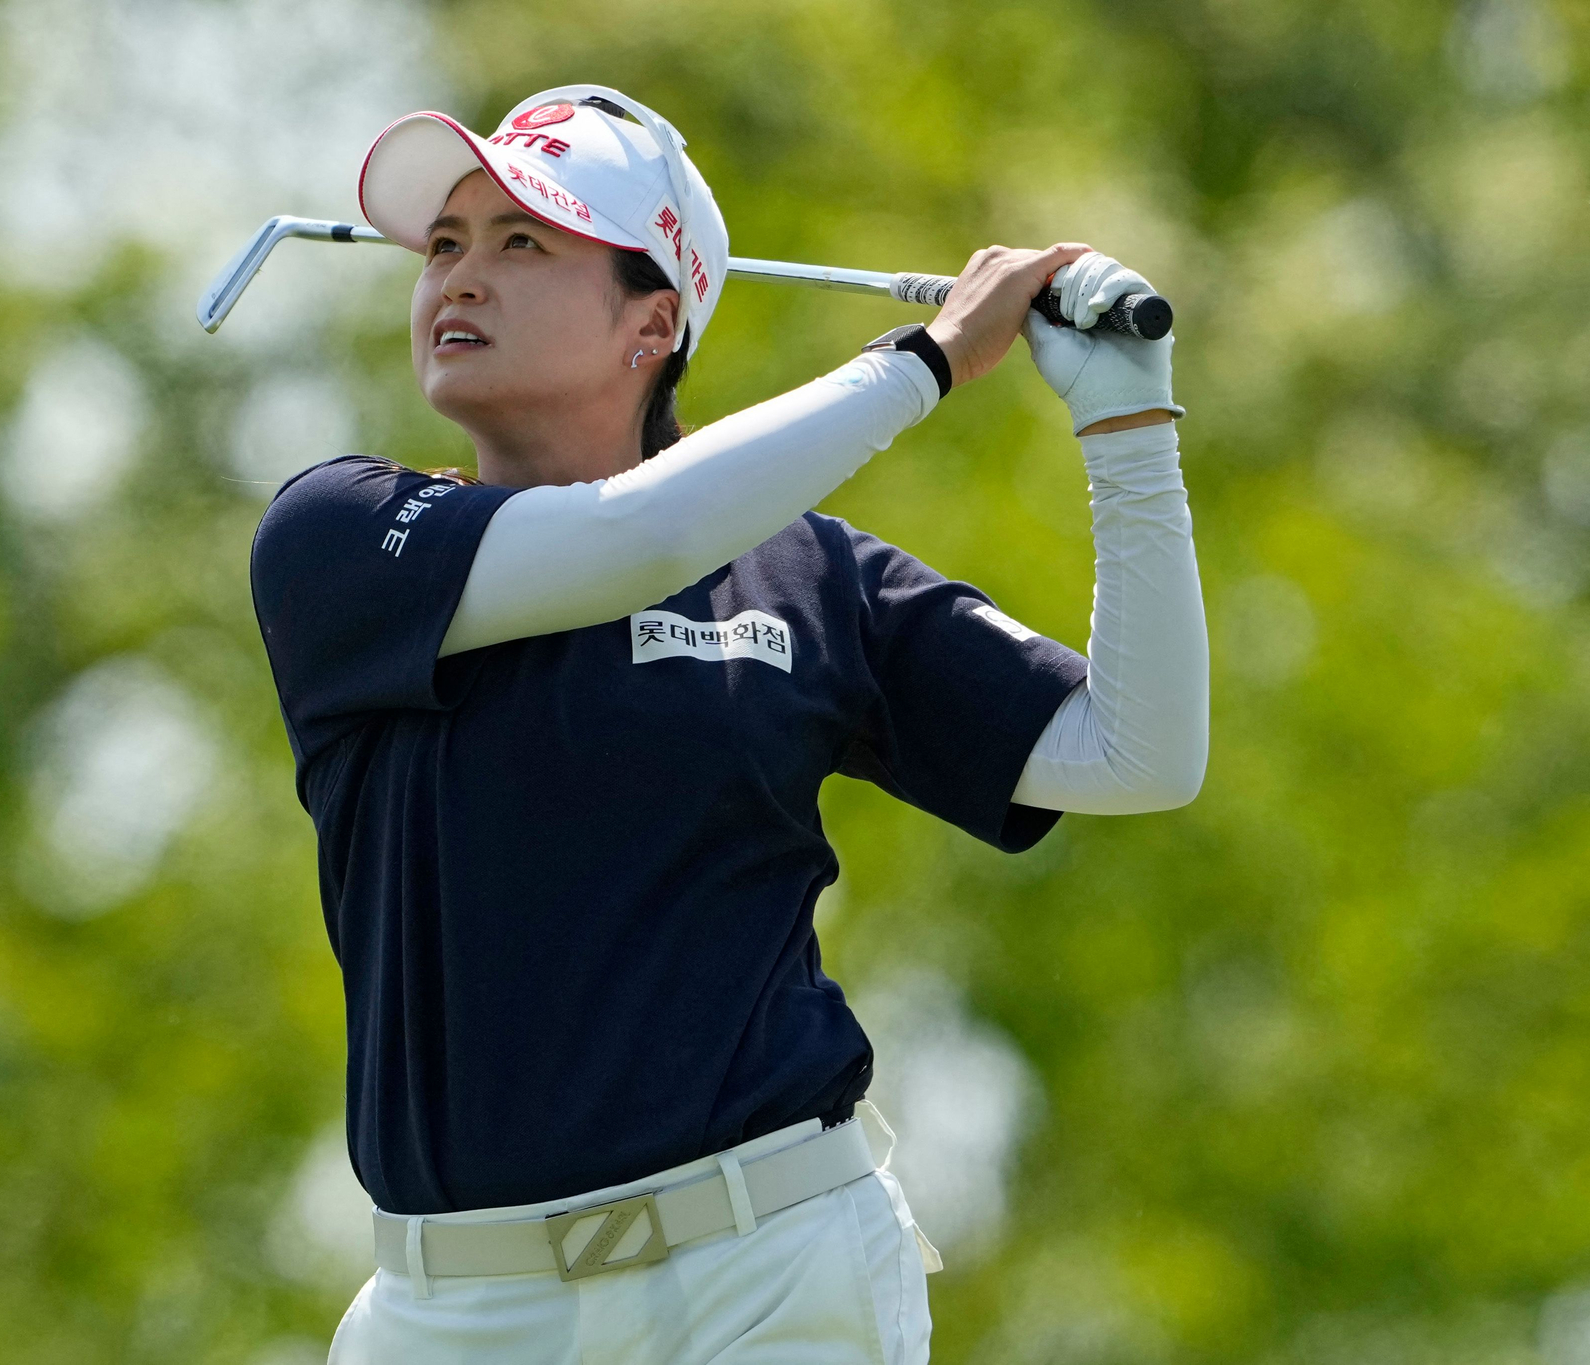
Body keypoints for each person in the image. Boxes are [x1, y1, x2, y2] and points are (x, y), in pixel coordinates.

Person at [249, 85, 1206, 1365]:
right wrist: (920, 363)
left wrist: (1125, 424)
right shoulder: (341, 539)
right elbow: (629, 541)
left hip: (773, 1276)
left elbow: (1138, 753)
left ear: (653, 322)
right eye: (443, 244)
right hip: (455, 1313)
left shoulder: (806, 576)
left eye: (521, 241)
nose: (458, 279)